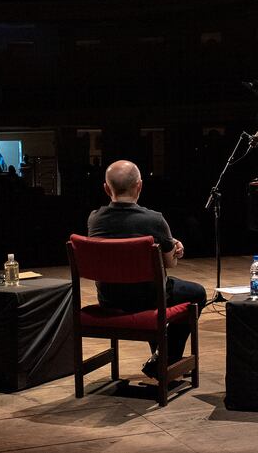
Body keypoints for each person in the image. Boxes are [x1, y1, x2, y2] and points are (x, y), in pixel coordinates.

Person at [87, 160, 207, 378]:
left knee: (155, 290)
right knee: (196, 293)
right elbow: (169, 263)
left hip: (110, 299)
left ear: (106, 188)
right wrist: (174, 247)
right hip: (148, 299)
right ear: (139, 186)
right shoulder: (154, 219)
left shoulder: (95, 219)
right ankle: (168, 357)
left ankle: (162, 356)